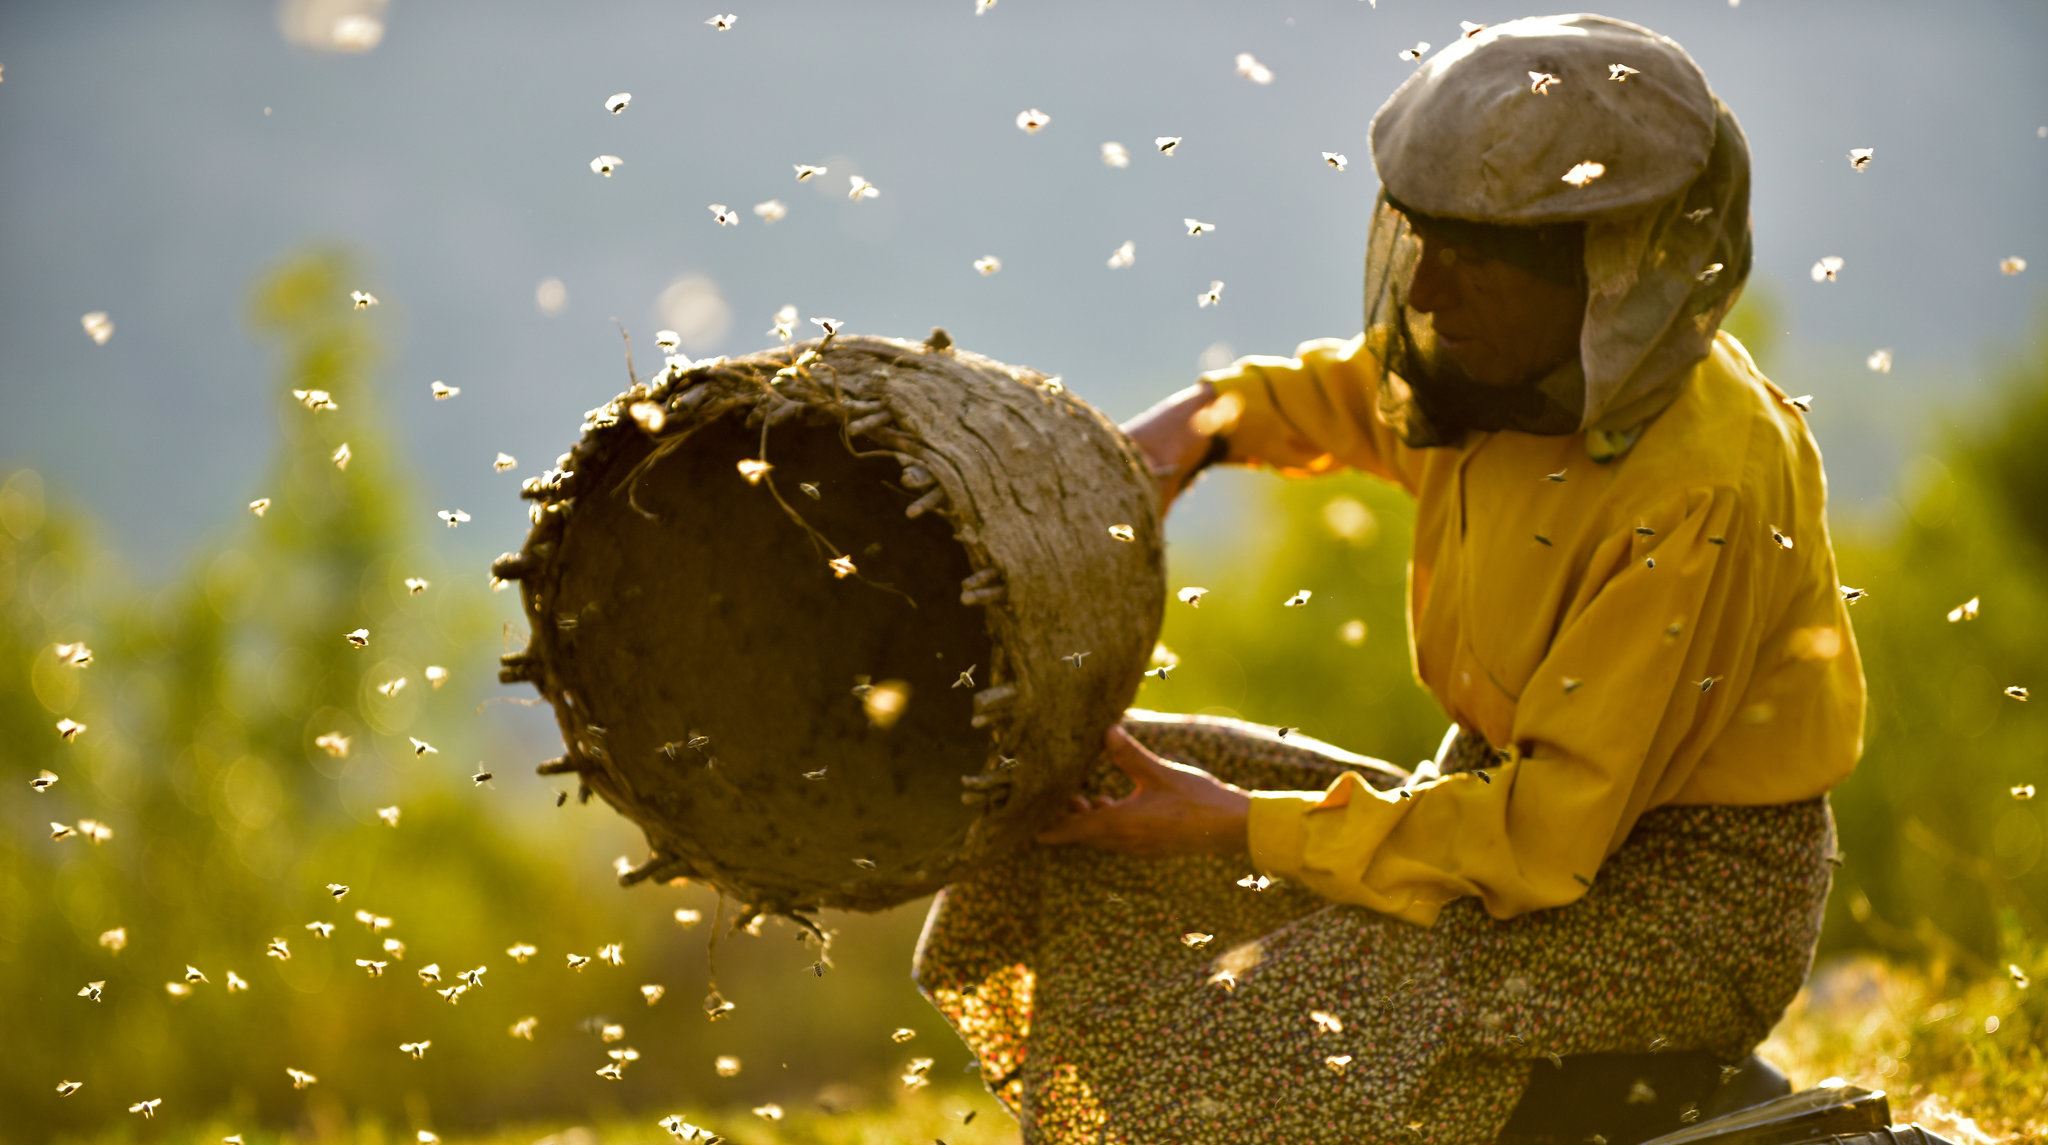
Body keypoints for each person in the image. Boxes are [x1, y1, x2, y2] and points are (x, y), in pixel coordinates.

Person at [913, 13, 1865, 1143]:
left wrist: (1232, 827)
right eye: (1423, 246)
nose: (1424, 298)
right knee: (1086, 797)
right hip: (1497, 829)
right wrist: (1185, 435)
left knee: (1251, 1022)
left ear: (1605, 271)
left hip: (1667, 912)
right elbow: (1345, 395)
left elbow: (1542, 840)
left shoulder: (1698, 488)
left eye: (1470, 264)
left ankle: (1644, 1103)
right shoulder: (1509, 367)